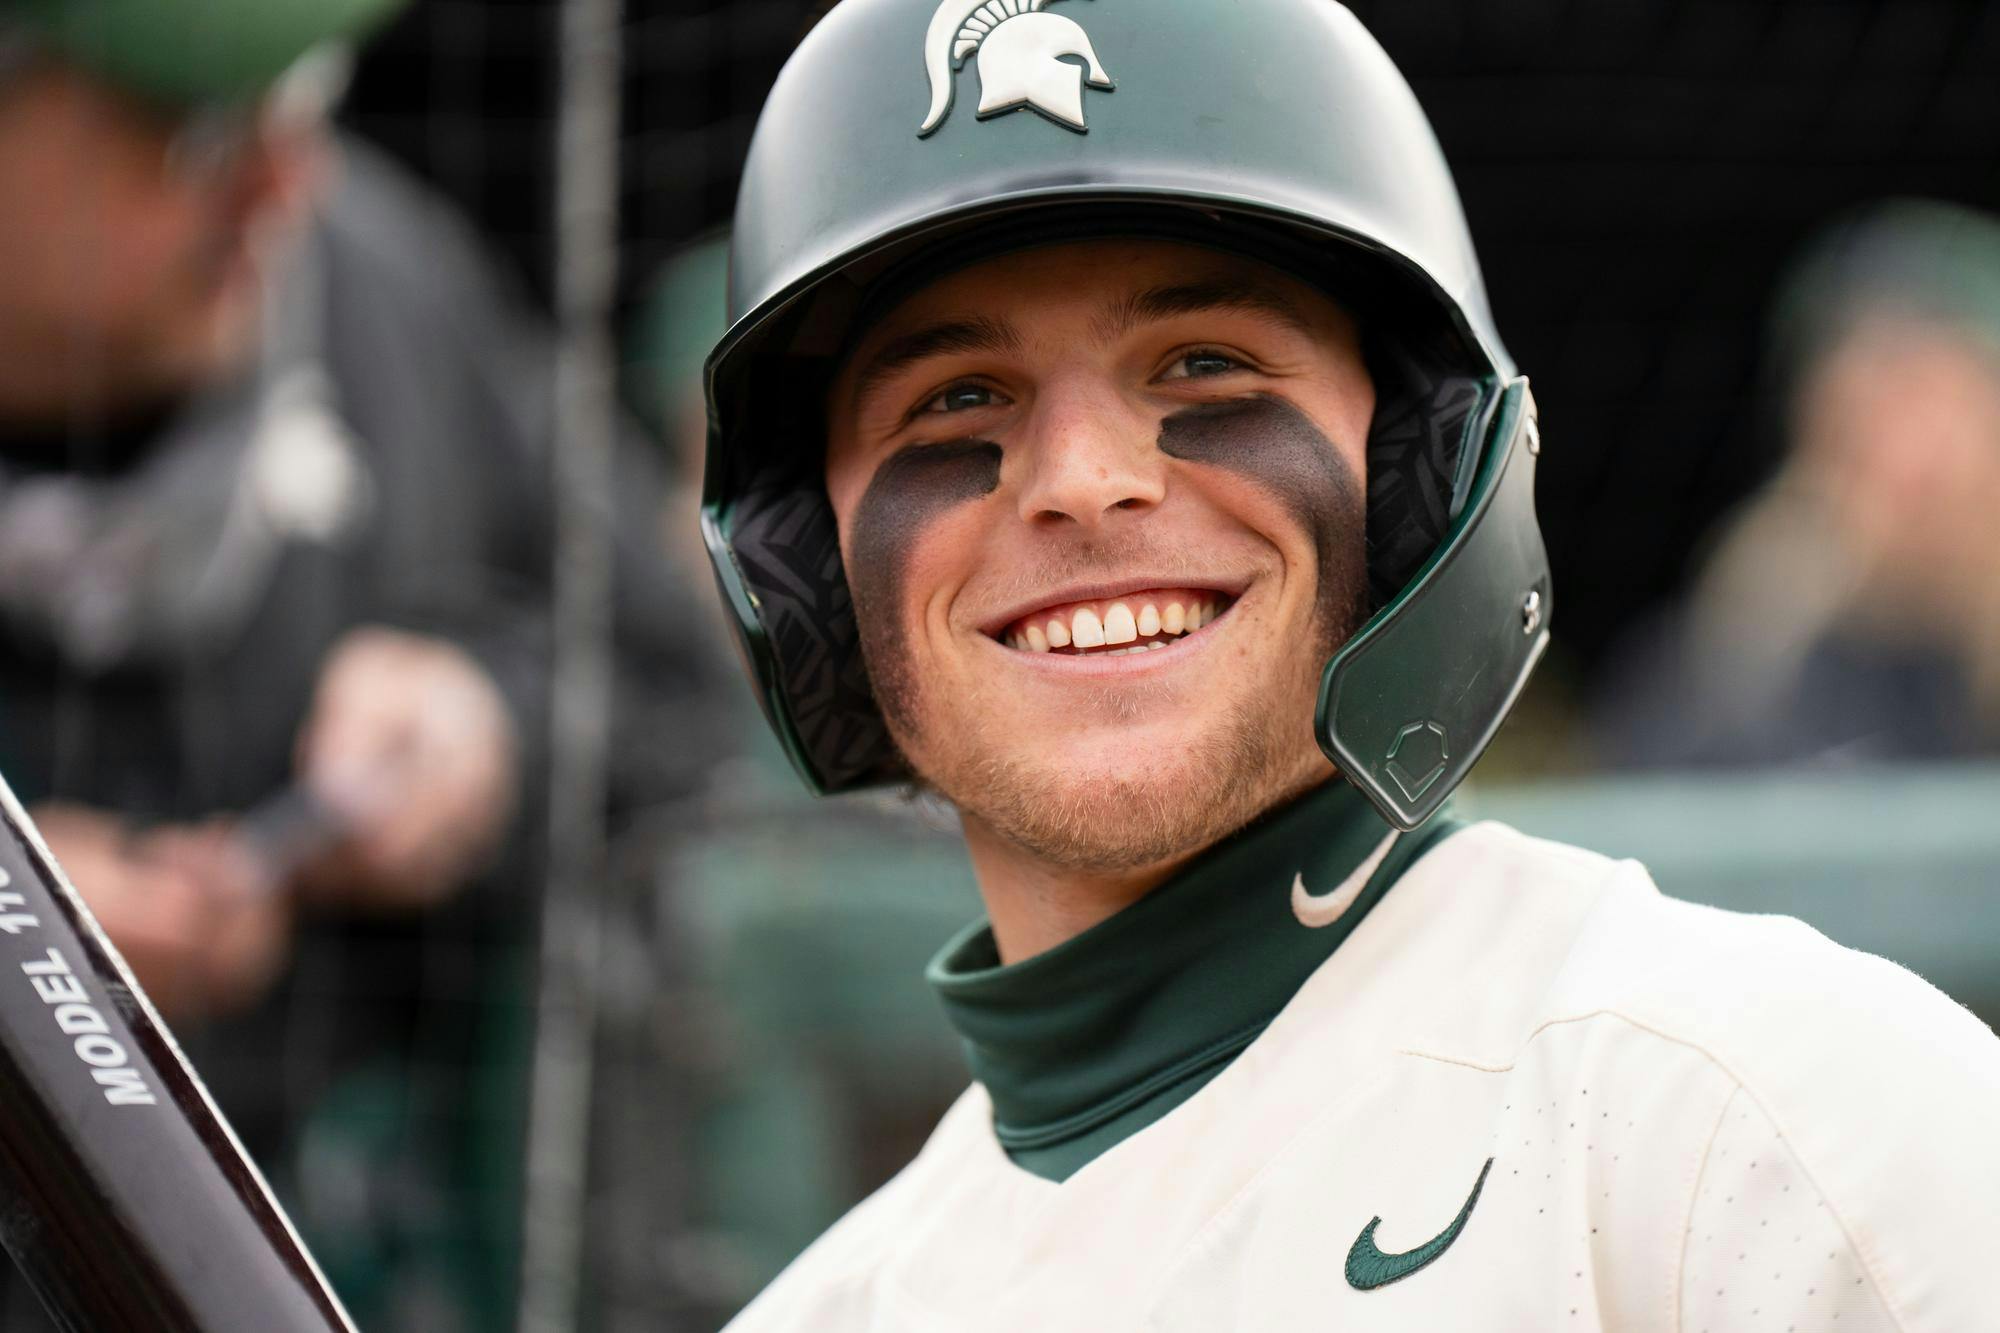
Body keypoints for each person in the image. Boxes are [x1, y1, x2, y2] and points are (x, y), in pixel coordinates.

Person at [693, 1, 2000, 1328]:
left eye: (1204, 364)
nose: (1086, 483)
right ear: (807, 563)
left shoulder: (1766, 1133)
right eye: (957, 397)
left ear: (1414, 481)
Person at [0, 1, 711, 1325]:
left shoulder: (374, 282)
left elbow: (686, 688)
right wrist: (24, 957)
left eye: (296, 99)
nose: (284, 178)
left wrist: (490, 727)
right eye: (191, 129)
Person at [1595, 201, 2000, 769]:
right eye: (1858, 415)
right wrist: (1749, 634)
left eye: (1928, 397)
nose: (1899, 454)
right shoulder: (1728, 662)